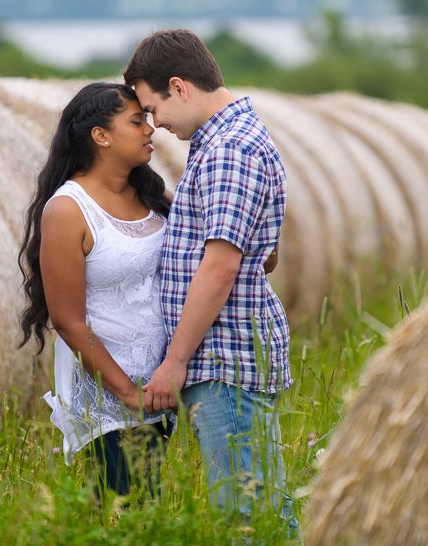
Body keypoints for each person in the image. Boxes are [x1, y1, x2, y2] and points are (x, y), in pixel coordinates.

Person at [124, 29, 297, 532]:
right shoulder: (224, 142)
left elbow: (220, 266)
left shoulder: (229, 151)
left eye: (153, 109)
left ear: (179, 87)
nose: (155, 125)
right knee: (257, 505)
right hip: (224, 356)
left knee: (248, 514)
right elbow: (253, 251)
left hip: (224, 359)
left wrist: (174, 362)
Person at [18, 82, 172, 496]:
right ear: (100, 136)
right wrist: (126, 392)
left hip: (162, 388)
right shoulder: (69, 209)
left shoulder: (153, 198)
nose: (149, 130)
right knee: (123, 517)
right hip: (110, 397)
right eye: (136, 121)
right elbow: (67, 319)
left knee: (154, 514)